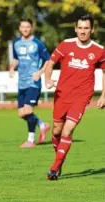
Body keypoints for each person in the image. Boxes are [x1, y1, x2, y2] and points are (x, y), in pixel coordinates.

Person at [44, 14, 105, 180]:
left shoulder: (99, 50)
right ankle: (60, 159)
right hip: (62, 95)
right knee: (56, 131)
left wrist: (103, 95)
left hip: (82, 97)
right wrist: (48, 79)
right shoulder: (65, 45)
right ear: (76, 29)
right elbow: (50, 63)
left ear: (92, 29)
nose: (83, 31)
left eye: (87, 28)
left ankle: (55, 168)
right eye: (80, 28)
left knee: (68, 129)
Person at [9, 18, 51, 148]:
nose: (25, 29)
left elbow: (48, 60)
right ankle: (42, 124)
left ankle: (30, 140)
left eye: (27, 27)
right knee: (21, 113)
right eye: (23, 27)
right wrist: (11, 68)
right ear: (19, 28)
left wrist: (40, 72)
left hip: (33, 82)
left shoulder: (37, 43)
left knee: (27, 110)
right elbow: (16, 59)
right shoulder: (16, 43)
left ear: (31, 28)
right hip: (21, 83)